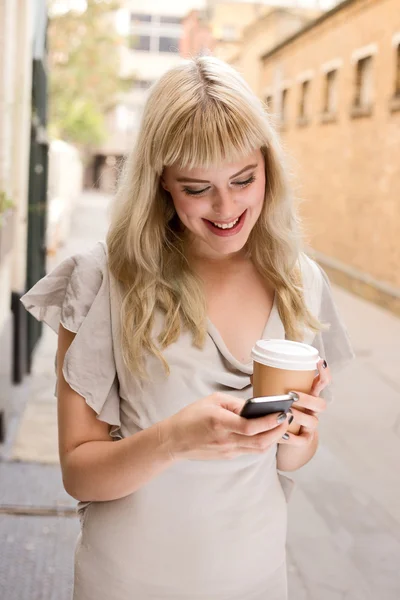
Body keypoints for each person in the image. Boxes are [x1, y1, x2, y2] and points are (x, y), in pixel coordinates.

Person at [21, 56, 354, 600]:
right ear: (162, 185)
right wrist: (174, 439)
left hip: (256, 578)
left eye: (244, 179)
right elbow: (79, 474)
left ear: (268, 166)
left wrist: (302, 434)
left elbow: (289, 459)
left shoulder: (300, 280)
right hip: (128, 582)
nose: (227, 208)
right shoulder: (104, 278)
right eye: (197, 188)